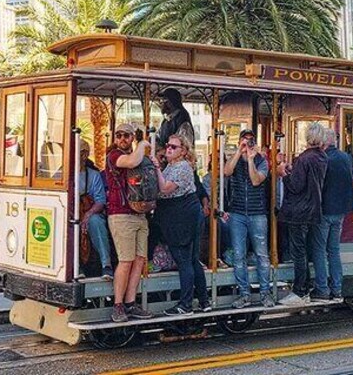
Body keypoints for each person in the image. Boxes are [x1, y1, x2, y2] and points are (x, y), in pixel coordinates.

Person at [152, 134, 210, 316]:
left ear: (183, 151)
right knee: (192, 259)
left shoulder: (183, 167)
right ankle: (203, 300)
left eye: (173, 147)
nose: (168, 149)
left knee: (184, 259)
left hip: (182, 217)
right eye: (168, 146)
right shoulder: (172, 165)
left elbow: (165, 188)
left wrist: (156, 168)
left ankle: (186, 304)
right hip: (181, 214)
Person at [103, 122, 153, 322]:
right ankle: (118, 305)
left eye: (126, 136)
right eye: (119, 135)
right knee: (125, 260)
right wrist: (142, 144)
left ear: (131, 137)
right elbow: (131, 162)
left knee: (140, 259)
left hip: (139, 213)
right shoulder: (114, 156)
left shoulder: (138, 156)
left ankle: (131, 303)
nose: (122, 139)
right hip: (121, 214)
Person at [277, 123, 330, 305]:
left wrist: (282, 174)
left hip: (297, 211)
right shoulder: (322, 158)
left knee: (298, 252)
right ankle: (305, 288)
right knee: (306, 250)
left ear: (308, 138)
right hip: (313, 209)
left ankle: (300, 290)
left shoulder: (304, 158)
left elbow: (296, 186)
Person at [222, 129, 274, 308]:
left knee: (261, 254)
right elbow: (226, 172)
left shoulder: (261, 161)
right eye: (245, 141)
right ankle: (244, 294)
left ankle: (265, 293)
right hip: (237, 213)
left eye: (251, 141)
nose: (248, 144)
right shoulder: (235, 160)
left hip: (257, 213)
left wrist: (251, 159)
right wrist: (239, 152)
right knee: (238, 254)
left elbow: (255, 180)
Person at [320, 128, 353, 303]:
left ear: (324, 142)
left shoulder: (324, 158)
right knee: (334, 250)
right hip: (340, 212)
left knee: (320, 249)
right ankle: (337, 288)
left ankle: (322, 288)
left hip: (325, 211)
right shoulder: (345, 157)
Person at [77, 139, 113, 279]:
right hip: (71, 212)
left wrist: (88, 214)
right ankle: (75, 265)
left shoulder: (93, 175)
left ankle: (106, 265)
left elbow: (100, 201)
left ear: (84, 155)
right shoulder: (63, 173)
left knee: (95, 221)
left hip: (89, 210)